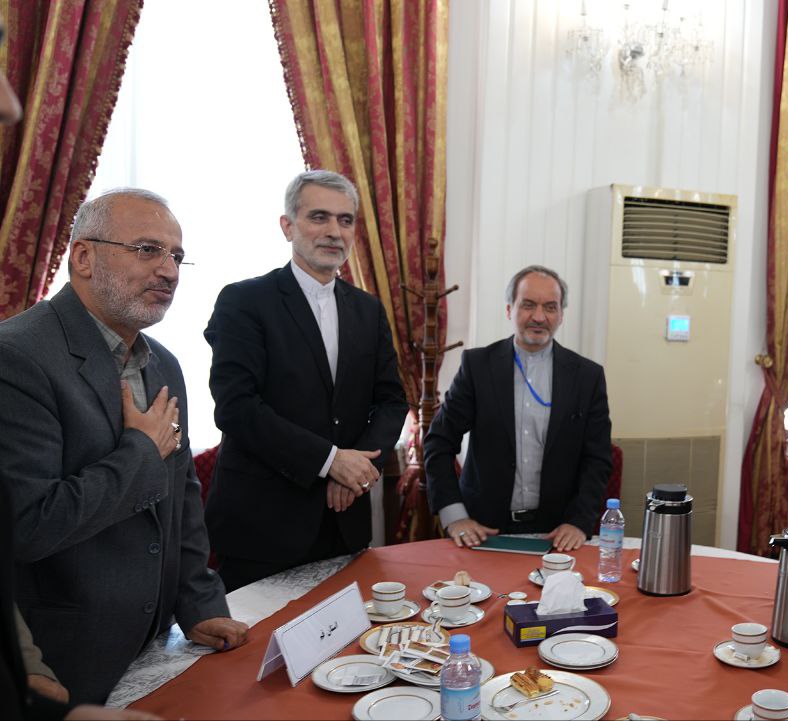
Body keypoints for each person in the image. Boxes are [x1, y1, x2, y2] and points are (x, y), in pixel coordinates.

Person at [0, 187, 248, 704]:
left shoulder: (164, 363)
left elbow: (181, 499)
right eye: (147, 249)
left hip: (153, 645)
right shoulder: (17, 357)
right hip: (62, 661)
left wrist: (198, 605)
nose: (170, 271)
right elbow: (28, 525)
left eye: (176, 256)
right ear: (83, 257)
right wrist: (139, 451)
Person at [203, 170, 408, 592]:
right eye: (319, 217)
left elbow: (391, 400)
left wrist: (357, 467)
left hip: (345, 522)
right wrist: (331, 461)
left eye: (345, 220)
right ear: (287, 226)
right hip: (263, 525)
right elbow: (237, 407)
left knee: (347, 635)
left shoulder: (368, 309)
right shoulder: (244, 301)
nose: (334, 231)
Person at [424, 265, 612, 552]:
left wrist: (579, 522)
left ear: (561, 315)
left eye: (550, 307)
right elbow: (439, 442)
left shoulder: (587, 377)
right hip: (483, 530)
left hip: (557, 534)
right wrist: (455, 516)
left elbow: (597, 459)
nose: (539, 316)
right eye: (528, 305)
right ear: (509, 310)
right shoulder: (477, 367)